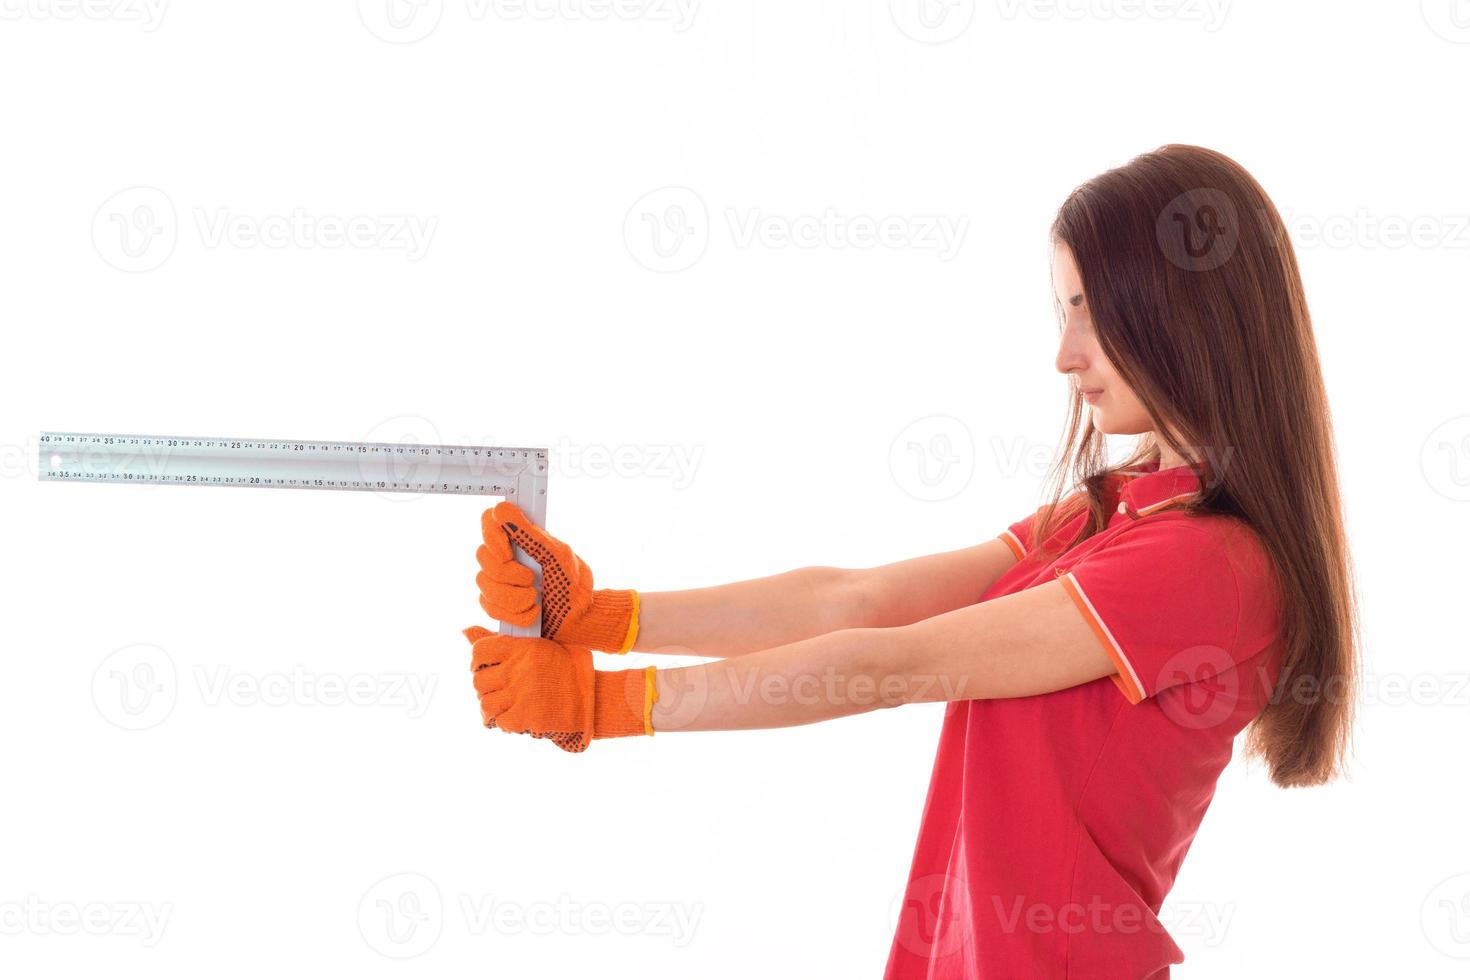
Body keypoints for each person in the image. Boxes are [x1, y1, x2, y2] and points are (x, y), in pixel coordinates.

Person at [464, 143, 1360, 977]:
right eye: (1067, 310)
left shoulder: (1212, 565)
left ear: (1177, 313)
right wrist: (605, 615)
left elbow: (898, 665)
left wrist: (606, 702)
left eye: (1090, 309)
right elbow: (862, 602)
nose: (1064, 354)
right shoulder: (1102, 518)